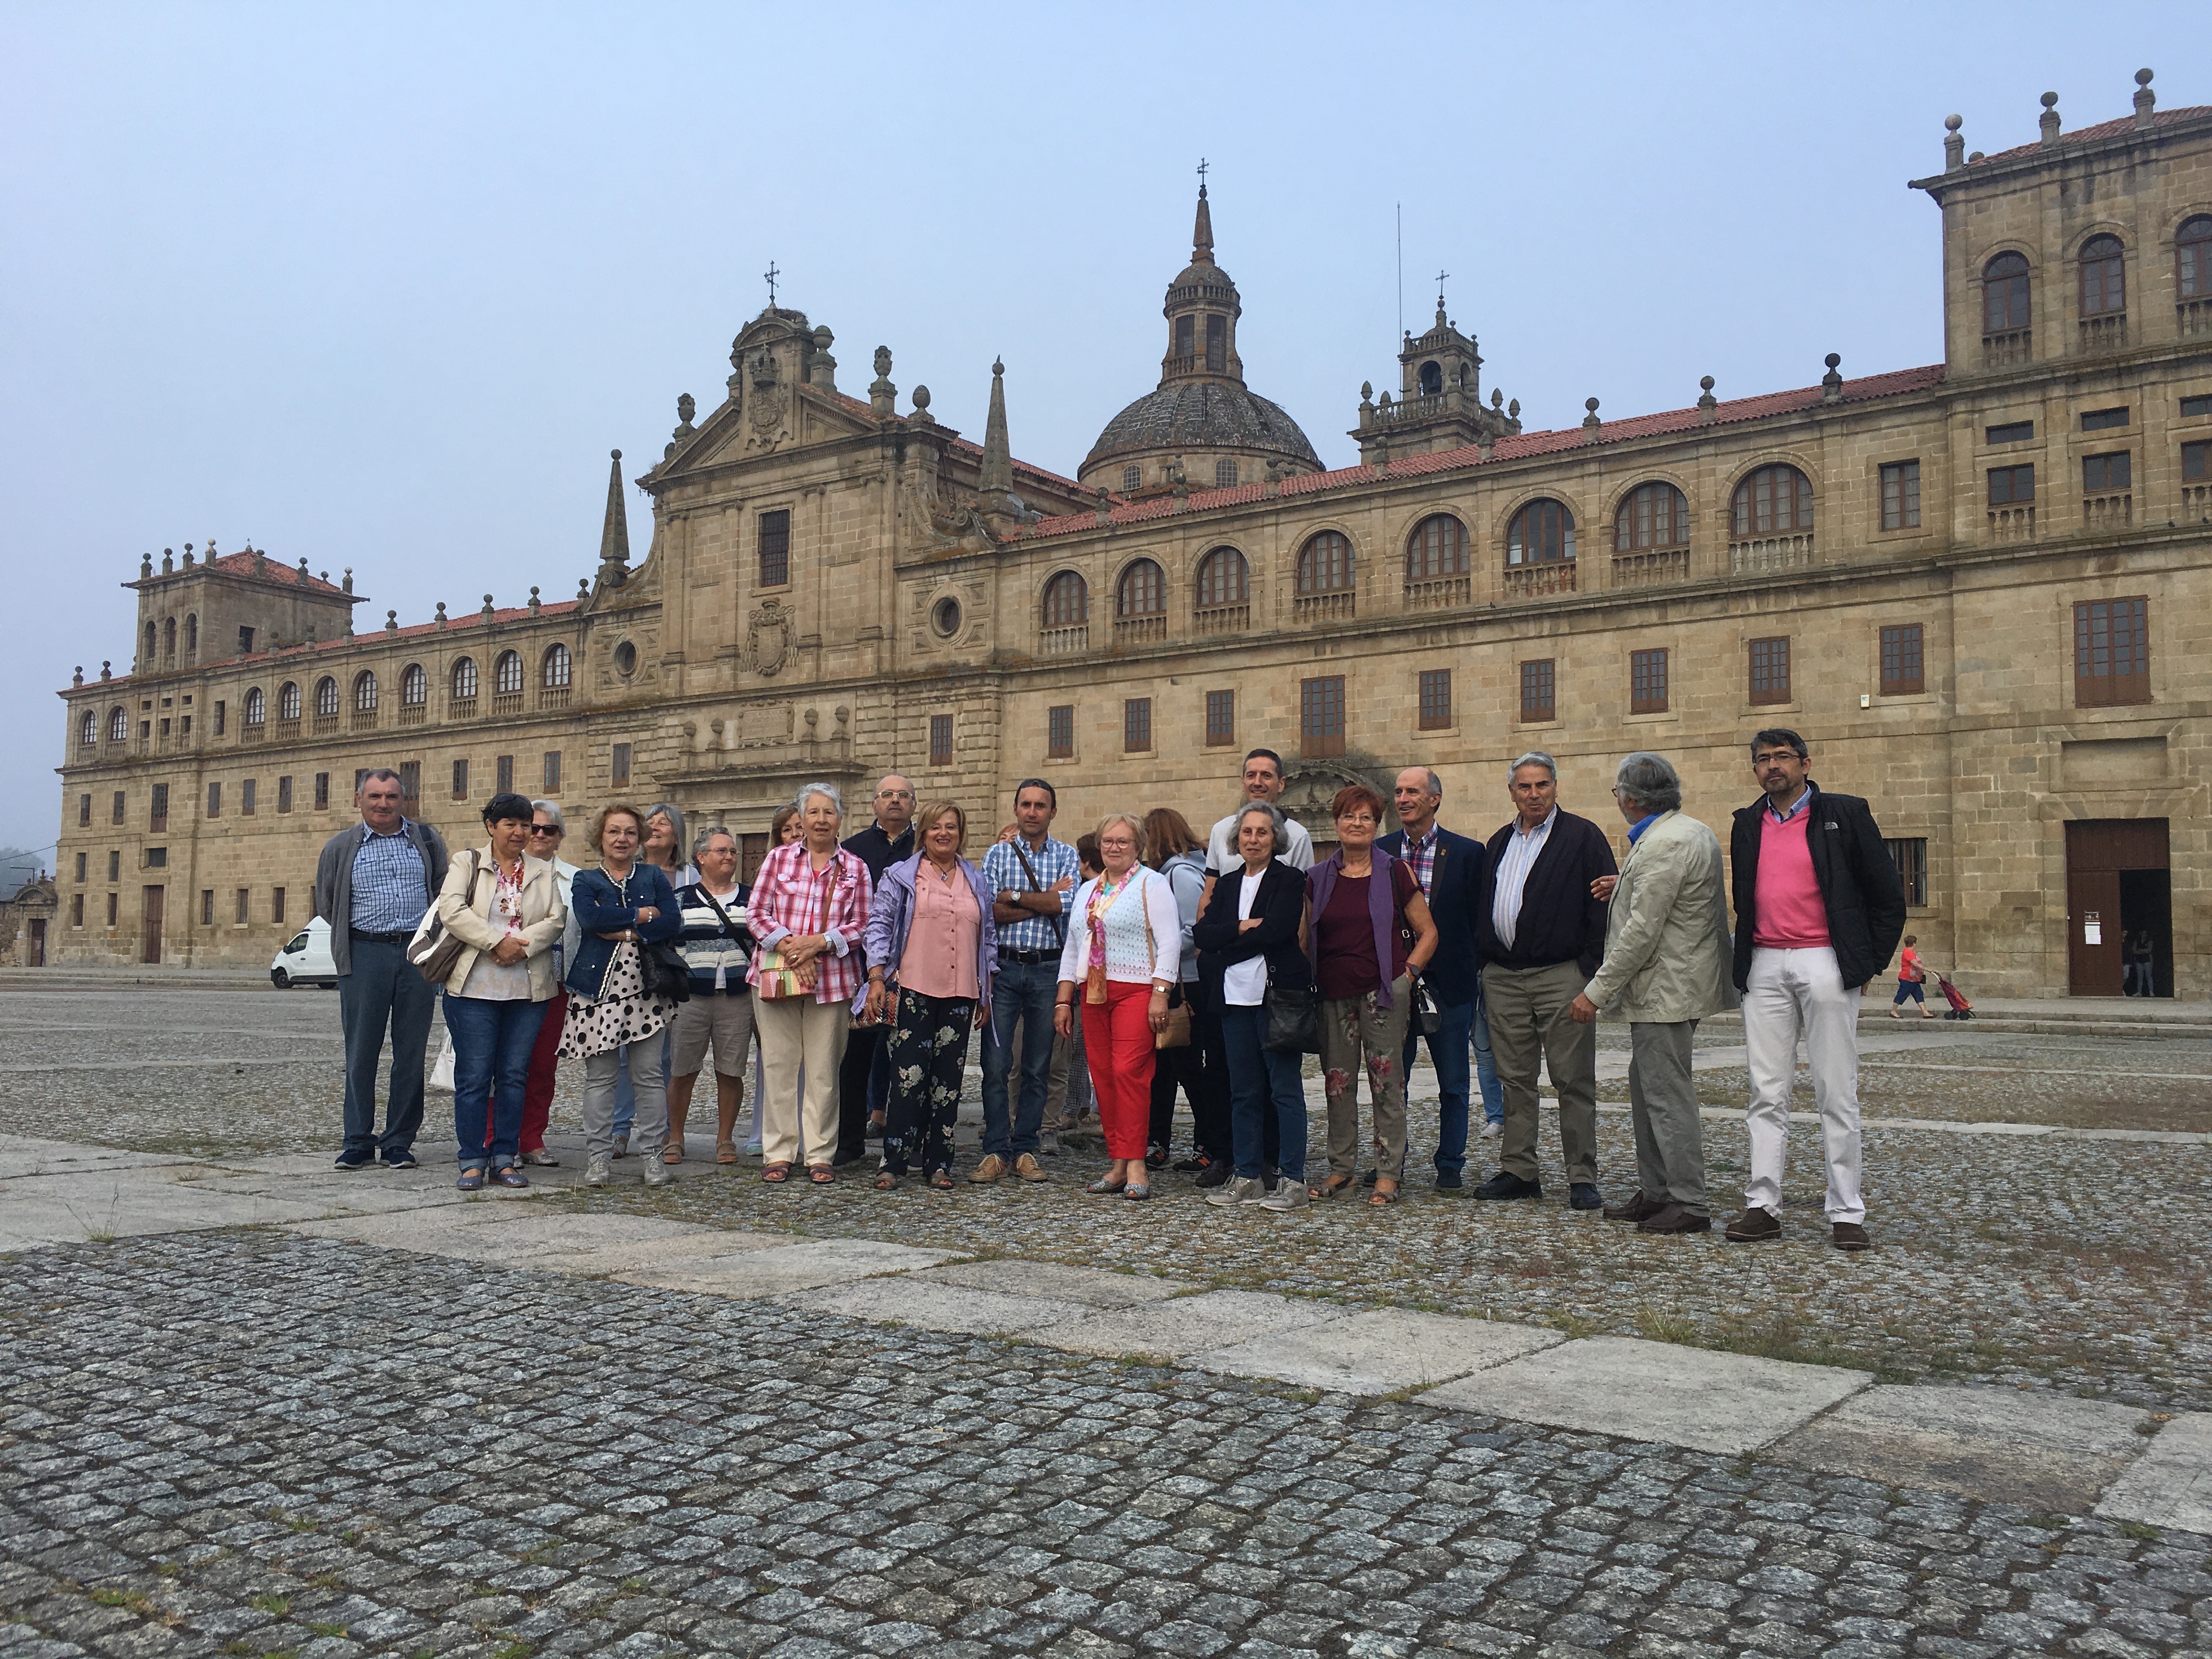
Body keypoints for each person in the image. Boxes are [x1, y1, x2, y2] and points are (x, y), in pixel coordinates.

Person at [1725, 729, 1905, 1252]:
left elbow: (1887, 896)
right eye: (1763, 760)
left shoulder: (1844, 814)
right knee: (1766, 1090)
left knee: (1836, 1090)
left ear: (1805, 763)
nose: (1772, 767)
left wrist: (1865, 962)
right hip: (1763, 961)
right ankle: (1762, 1205)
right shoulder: (1746, 824)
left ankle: (1847, 1210)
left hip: (1824, 957)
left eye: (1782, 757)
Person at [1567, 753, 1733, 1235]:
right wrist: (1626, 884)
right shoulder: (1685, 831)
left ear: (1631, 798)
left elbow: (1643, 929)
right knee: (1647, 1090)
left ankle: (1689, 1201)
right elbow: (1673, 898)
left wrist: (1596, 992)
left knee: (1665, 1095)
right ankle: (1659, 1192)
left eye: (1617, 793)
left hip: (1668, 988)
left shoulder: (1665, 843)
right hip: (1671, 985)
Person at [1474, 752, 1617, 1209]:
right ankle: (1520, 1169)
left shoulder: (1582, 837)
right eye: (1524, 787)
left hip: (1561, 975)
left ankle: (1581, 1176)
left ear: (1555, 787)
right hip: (1504, 977)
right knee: (1514, 1079)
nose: (1533, 794)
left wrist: (1589, 975)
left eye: (1541, 785)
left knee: (1573, 1078)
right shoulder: (1499, 841)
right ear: (1512, 791)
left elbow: (1602, 907)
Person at [1306, 785, 1438, 1206]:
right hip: (1333, 995)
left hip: (1383, 995)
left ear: (1377, 825)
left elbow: (1429, 932)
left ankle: (1387, 1172)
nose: (1357, 824)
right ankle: (1341, 1167)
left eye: (1365, 817)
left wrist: (1408, 975)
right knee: (1337, 1086)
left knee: (1387, 1084)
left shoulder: (1394, 872)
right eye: (1349, 816)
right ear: (1336, 824)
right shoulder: (1317, 877)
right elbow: (1304, 939)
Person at [314, 768, 451, 1171]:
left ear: (403, 800)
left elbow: (445, 894)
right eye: (374, 796)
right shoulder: (340, 847)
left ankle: (398, 1142)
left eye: (391, 797)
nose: (383, 804)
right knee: (361, 1052)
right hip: (365, 953)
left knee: (410, 1053)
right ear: (359, 800)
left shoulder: (426, 841)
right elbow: (327, 903)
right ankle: (357, 1140)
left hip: (415, 956)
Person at [433, 792, 567, 1190]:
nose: (520, 831)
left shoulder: (542, 870)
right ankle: (472, 1158)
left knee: (513, 1076)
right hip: (473, 986)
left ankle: (506, 1157)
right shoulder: (466, 862)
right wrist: (495, 942)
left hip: (526, 988)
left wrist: (518, 944)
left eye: (525, 824)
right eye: (510, 823)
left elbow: (556, 919)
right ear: (492, 827)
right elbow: (452, 910)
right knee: (474, 1076)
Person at [865, 802, 997, 1189]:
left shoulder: (975, 879)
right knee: (908, 1079)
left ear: (961, 834)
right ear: (923, 832)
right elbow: (880, 925)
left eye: (952, 828)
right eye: (936, 827)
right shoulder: (902, 875)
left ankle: (939, 1162)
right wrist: (876, 976)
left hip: (961, 993)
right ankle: (894, 1161)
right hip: (914, 988)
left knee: (947, 1083)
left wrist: (986, 990)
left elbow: (987, 938)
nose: (944, 833)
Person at [1375, 767, 1493, 1192]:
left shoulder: (1467, 853)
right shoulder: (1381, 851)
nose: (1403, 799)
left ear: (1435, 799)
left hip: (1452, 983)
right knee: (1392, 1081)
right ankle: (1393, 1162)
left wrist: (1469, 966)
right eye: (1399, 792)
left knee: (1454, 1082)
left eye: (1413, 792)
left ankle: (1450, 1164)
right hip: (1395, 983)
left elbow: (1481, 919)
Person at [749, 782, 873, 1184]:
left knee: (823, 1070)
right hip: (776, 976)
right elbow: (756, 914)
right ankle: (779, 1151)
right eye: (814, 813)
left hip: (833, 981)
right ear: (801, 819)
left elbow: (864, 925)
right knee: (779, 1066)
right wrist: (792, 950)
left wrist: (820, 944)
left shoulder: (855, 867)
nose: (821, 820)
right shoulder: (778, 858)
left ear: (841, 819)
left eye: (829, 812)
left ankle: (820, 1152)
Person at [1054, 813, 1180, 1199]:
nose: (1114, 848)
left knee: (1130, 1072)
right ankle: (1119, 1160)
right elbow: (1073, 945)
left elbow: (1170, 940)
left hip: (1137, 990)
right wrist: (1063, 998)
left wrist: (1161, 991)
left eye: (1123, 842)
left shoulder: (1152, 884)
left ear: (1138, 846)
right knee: (1104, 1076)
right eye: (1108, 841)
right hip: (1093, 992)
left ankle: (1137, 1160)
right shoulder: (1087, 890)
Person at [1193, 802, 1311, 1212]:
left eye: (1262, 832)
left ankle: (1292, 1180)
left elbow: (1278, 932)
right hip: (1234, 999)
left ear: (1275, 839)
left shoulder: (1290, 879)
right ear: (1236, 838)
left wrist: (1225, 945)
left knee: (1284, 1090)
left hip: (1276, 998)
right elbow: (1203, 933)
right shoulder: (1225, 885)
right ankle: (1246, 1177)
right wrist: (1240, 928)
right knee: (1242, 1091)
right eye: (1247, 832)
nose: (1254, 839)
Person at [558, 804, 682, 1188]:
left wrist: (627, 927)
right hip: (598, 993)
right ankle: (597, 1160)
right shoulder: (585, 879)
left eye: (630, 832)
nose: (622, 839)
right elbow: (590, 920)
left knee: (648, 1077)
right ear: (601, 837)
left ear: (640, 838)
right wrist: (641, 917)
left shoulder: (652, 876)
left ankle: (653, 1158)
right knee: (601, 1079)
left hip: (647, 992)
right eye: (614, 832)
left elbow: (672, 921)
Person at [977, 779, 1078, 1184]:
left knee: (1038, 1065)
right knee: (996, 1063)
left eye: (1041, 805)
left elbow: (1065, 905)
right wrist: (1042, 902)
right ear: (1015, 809)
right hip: (1002, 969)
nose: (1032, 811)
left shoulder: (1068, 856)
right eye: (1026, 804)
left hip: (1047, 969)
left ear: (1053, 812)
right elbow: (988, 913)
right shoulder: (997, 854)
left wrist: (1013, 897)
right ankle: (996, 1150)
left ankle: (1026, 1149)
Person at [1145, 806, 1229, 1181]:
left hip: (1186, 982)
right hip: (1188, 980)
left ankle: (1208, 1144)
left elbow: (1190, 930)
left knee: (1188, 1067)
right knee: (1177, 1066)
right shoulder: (1192, 869)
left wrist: (1153, 953)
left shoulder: (1178, 875)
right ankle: (1192, 1142)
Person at [836, 775, 916, 1165]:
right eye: (887, 795)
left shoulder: (925, 847)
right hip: (861, 971)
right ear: (874, 805)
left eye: (904, 795)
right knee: (855, 1059)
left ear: (914, 805)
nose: (896, 801)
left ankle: (902, 1145)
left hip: (915, 969)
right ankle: (848, 1142)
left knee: (909, 1058)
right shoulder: (851, 852)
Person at [665, 827, 757, 1165]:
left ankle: (725, 1139)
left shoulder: (752, 898)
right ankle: (675, 1137)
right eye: (721, 851)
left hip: (737, 995)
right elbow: (668, 944)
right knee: (683, 1070)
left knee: (730, 1071)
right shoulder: (680, 898)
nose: (730, 856)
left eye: (733, 851)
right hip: (691, 997)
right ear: (701, 857)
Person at [511, 799, 579, 1167]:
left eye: (547, 829)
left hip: (554, 983)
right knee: (504, 1065)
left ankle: (532, 1136)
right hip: (505, 980)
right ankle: (499, 1137)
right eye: (531, 827)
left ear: (560, 836)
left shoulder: (575, 879)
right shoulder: (502, 872)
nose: (538, 835)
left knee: (542, 1066)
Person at [1891, 934, 1932, 1018]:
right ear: (1914, 944)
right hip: (1908, 979)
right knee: (1902, 994)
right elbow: (1915, 963)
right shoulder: (1908, 952)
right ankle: (1893, 1011)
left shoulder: (1909, 952)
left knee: (1919, 995)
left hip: (1914, 979)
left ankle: (1925, 1012)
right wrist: (1926, 969)